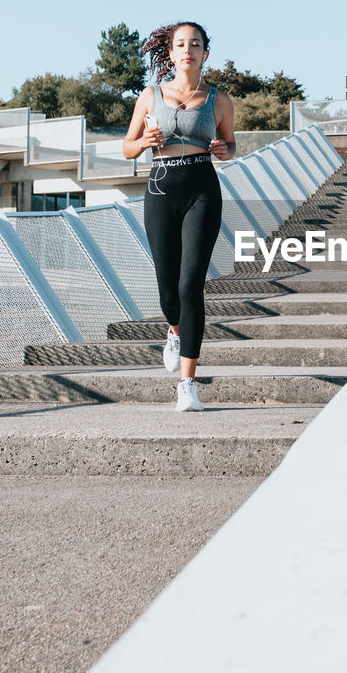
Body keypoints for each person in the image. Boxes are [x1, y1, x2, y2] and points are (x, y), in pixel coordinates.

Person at [123, 21, 236, 411]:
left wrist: (224, 150)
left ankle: (187, 384)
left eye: (196, 44)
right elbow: (126, 148)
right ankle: (174, 330)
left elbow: (231, 145)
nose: (188, 50)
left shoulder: (218, 99)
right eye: (181, 44)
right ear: (170, 53)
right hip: (160, 189)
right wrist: (143, 141)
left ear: (206, 53)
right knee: (168, 291)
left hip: (202, 188)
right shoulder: (150, 96)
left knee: (191, 286)